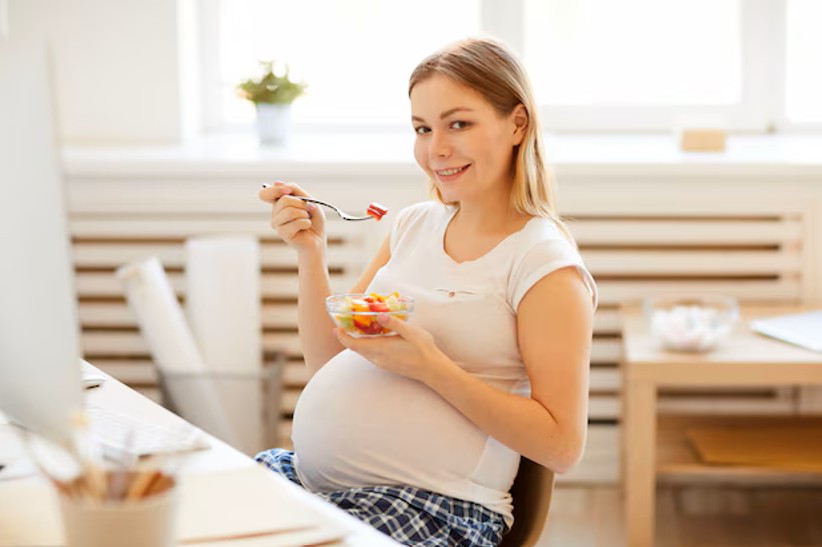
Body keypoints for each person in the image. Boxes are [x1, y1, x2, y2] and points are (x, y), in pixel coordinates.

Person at [256, 36, 597, 547]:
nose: (435, 148)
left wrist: (431, 367)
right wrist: (311, 255)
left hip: (435, 510)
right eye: (422, 128)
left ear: (517, 124)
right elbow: (329, 365)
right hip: (310, 481)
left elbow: (562, 446)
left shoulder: (543, 264)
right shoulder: (411, 226)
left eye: (458, 123)